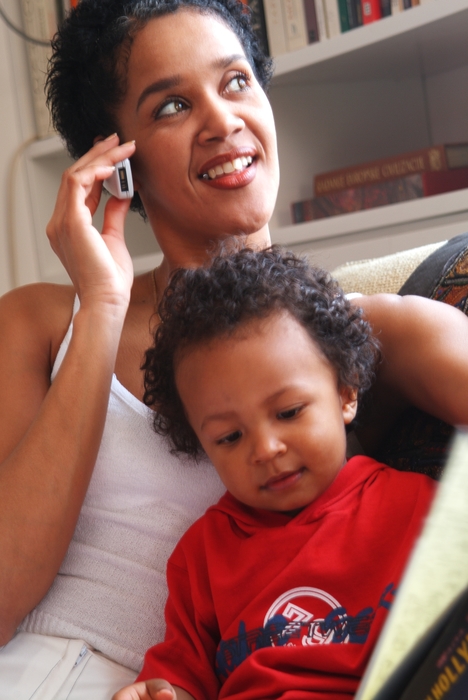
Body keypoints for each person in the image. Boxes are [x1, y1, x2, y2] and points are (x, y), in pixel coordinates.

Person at [0, 0, 467, 697]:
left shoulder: (362, 330)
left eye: (238, 83)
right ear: (112, 159)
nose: (222, 121)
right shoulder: (41, 320)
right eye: (170, 107)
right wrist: (102, 305)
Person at [113, 246, 436, 700]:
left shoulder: (420, 508)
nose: (265, 449)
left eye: (288, 412)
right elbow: (180, 679)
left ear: (345, 393)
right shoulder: (203, 555)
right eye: (229, 437)